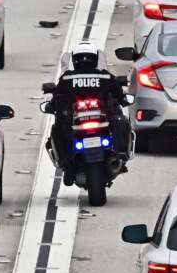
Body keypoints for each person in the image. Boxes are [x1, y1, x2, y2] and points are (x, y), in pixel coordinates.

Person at [46, 42, 131, 185]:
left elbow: (57, 99)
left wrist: (52, 105)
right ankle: (119, 155)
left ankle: (67, 163)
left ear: (74, 60)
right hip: (96, 126)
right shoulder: (105, 76)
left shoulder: (66, 78)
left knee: (59, 128)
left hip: (83, 127)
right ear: (95, 59)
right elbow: (119, 95)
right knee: (120, 120)